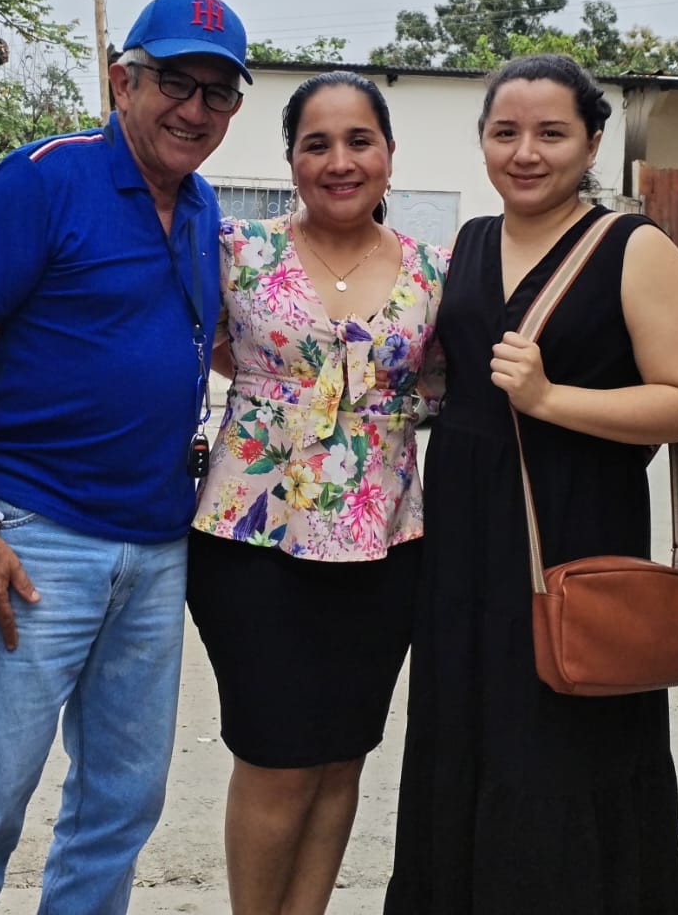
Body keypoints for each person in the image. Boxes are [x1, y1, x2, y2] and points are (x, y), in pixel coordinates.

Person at [0, 0, 250, 915]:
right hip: (35, 541)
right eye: (174, 82)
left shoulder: (200, 207)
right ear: (120, 81)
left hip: (157, 550)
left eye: (218, 93)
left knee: (119, 806)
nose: (194, 110)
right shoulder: (43, 180)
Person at [385, 54, 678, 915]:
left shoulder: (632, 248)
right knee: (462, 732)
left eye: (550, 133)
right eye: (504, 132)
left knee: (564, 740)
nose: (525, 152)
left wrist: (548, 399)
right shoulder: (468, 243)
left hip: (576, 529)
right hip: (462, 542)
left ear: (593, 142)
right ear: (482, 142)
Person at [187, 70, 448, 915]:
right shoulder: (236, 251)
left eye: (358, 141)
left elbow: (443, 383)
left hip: (385, 547)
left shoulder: (435, 272)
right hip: (253, 543)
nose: (339, 161)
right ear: (291, 159)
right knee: (277, 759)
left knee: (341, 758)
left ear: (388, 153)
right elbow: (205, 345)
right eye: (317, 144)